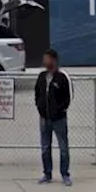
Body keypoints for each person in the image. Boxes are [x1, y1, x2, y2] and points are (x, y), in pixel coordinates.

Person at [33, 49, 71, 185]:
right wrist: (40, 107)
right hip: (44, 118)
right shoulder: (42, 77)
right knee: (45, 147)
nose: (45, 62)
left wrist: (59, 110)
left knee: (63, 147)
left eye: (47, 59)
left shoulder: (61, 78)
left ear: (54, 60)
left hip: (59, 119)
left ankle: (65, 174)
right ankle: (47, 174)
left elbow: (67, 98)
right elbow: (37, 93)